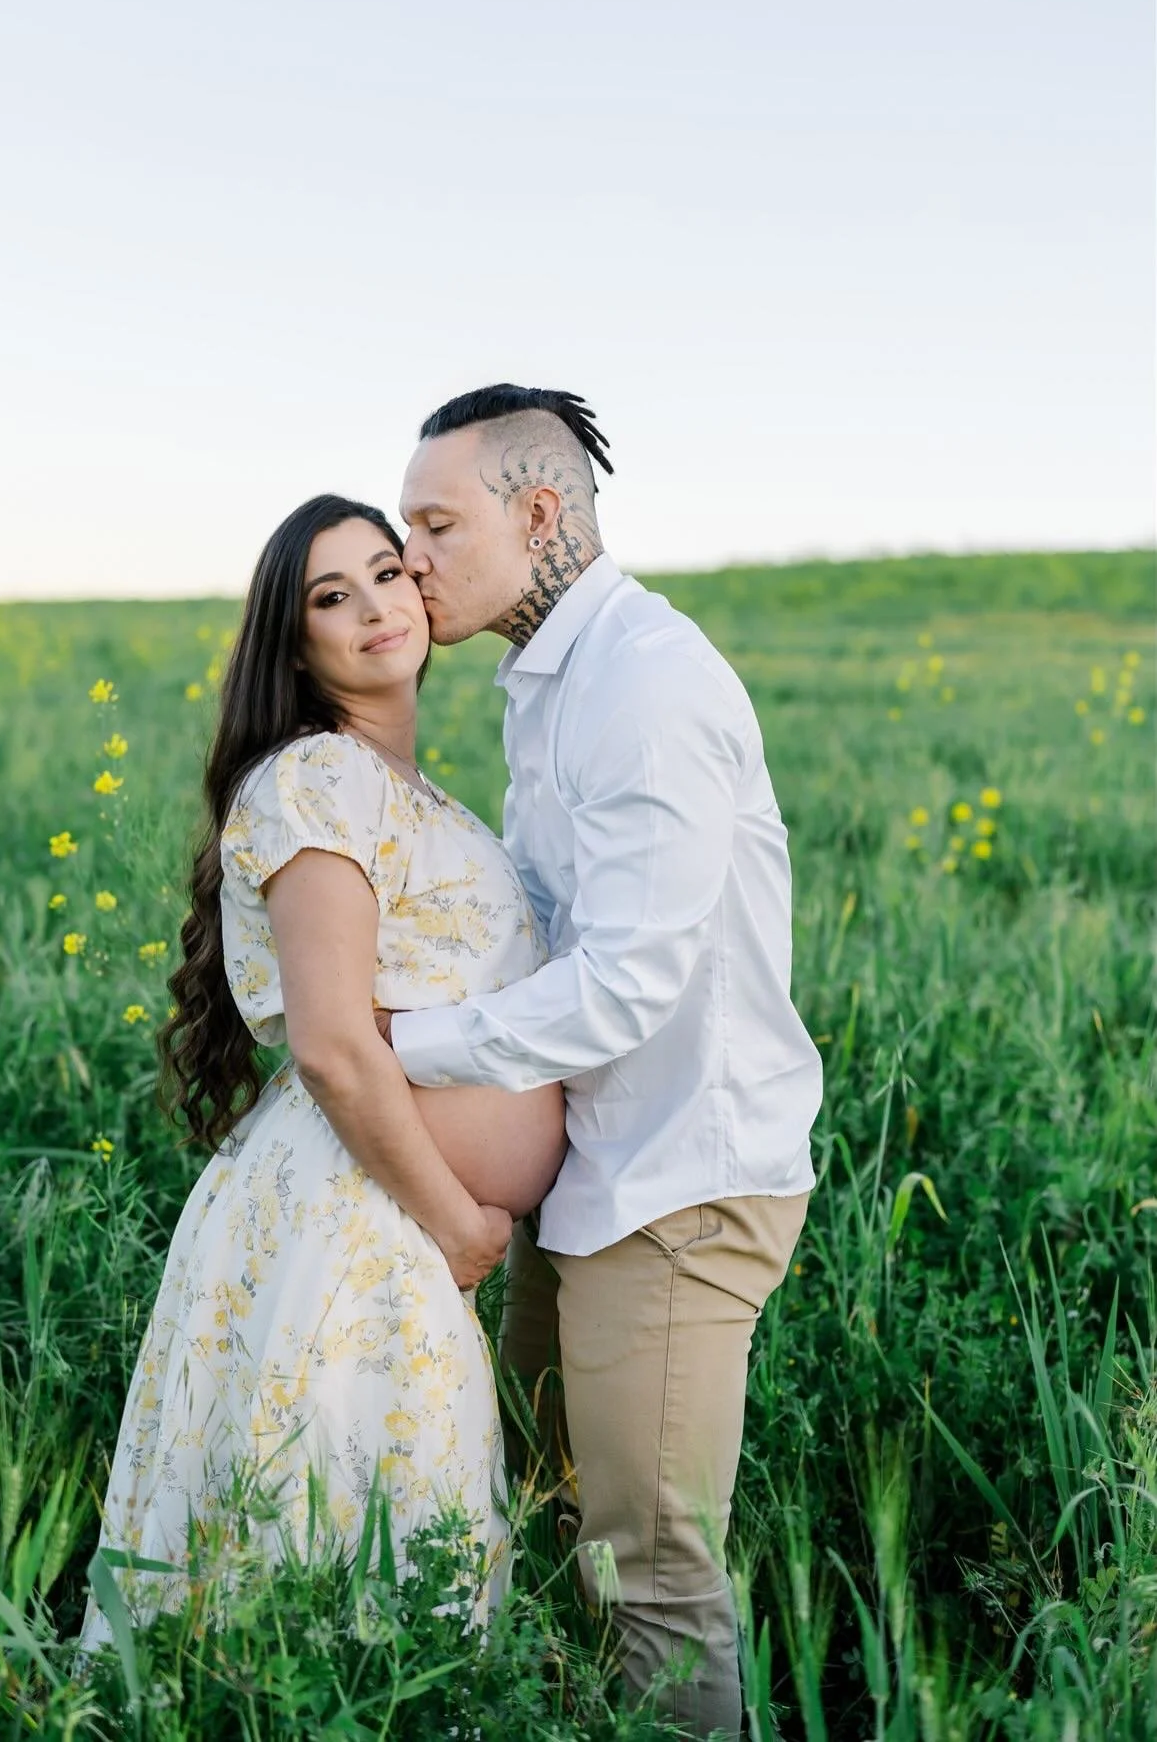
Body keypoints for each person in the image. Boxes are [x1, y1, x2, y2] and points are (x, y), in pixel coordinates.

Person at [379, 385, 823, 1740]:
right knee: (534, 1494)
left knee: (652, 1568)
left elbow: (627, 983)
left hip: (677, 1188)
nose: (411, 558)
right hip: (590, 1172)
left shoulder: (645, 682)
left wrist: (404, 1054)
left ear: (539, 513)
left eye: (436, 524)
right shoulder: (547, 684)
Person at [79, 493, 566, 1652]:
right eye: (330, 597)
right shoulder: (319, 780)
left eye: (389, 573)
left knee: (373, 1539)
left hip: (383, 1212)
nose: (374, 607)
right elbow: (333, 1043)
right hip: (368, 1217)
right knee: (337, 1544)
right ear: (294, 644)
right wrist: (455, 1220)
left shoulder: (401, 788)